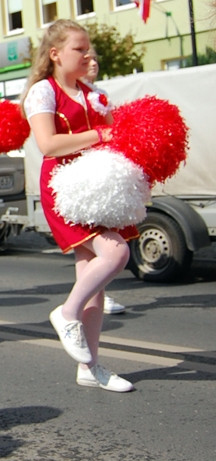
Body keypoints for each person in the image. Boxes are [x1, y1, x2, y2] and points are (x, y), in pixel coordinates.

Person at [21, 19, 136, 393]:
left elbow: (116, 136)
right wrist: (101, 133)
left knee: (94, 280)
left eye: (89, 49)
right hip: (65, 188)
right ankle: (65, 312)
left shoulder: (95, 93)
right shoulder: (43, 91)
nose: (88, 54)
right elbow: (48, 144)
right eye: (80, 48)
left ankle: (90, 366)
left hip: (99, 186)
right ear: (55, 54)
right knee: (115, 252)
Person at [84, 50, 126, 316]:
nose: (93, 63)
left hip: (104, 172)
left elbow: (114, 128)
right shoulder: (54, 91)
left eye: (96, 59)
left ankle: (94, 295)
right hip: (82, 177)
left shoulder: (99, 94)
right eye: (86, 57)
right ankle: (75, 307)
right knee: (103, 247)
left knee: (94, 251)